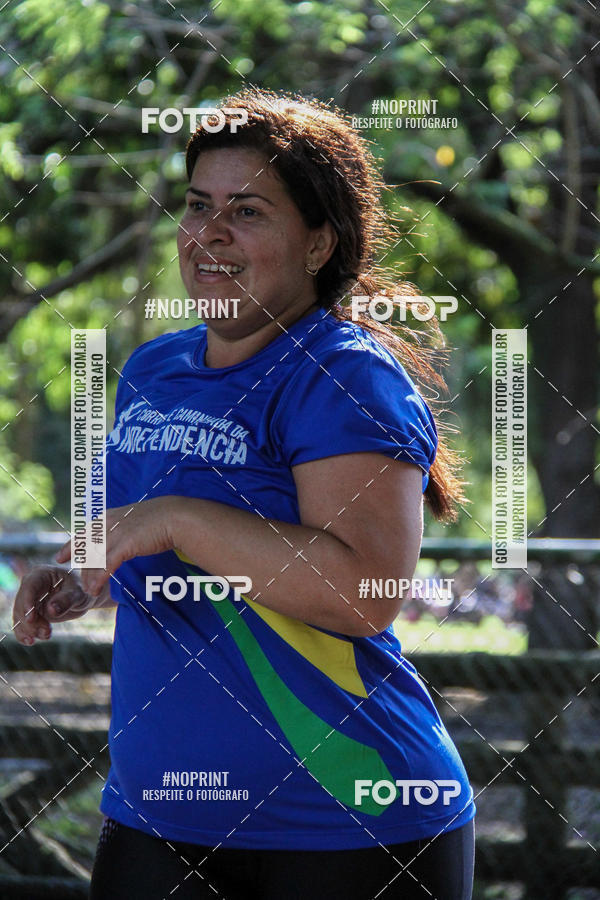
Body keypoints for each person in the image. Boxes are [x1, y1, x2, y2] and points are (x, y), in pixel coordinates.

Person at [13, 87, 476, 899]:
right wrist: (83, 574)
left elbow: (367, 593)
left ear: (317, 242)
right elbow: (151, 549)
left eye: (248, 210)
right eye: (197, 206)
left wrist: (175, 519)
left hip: (346, 823)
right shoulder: (154, 369)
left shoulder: (343, 374)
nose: (209, 234)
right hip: (157, 819)